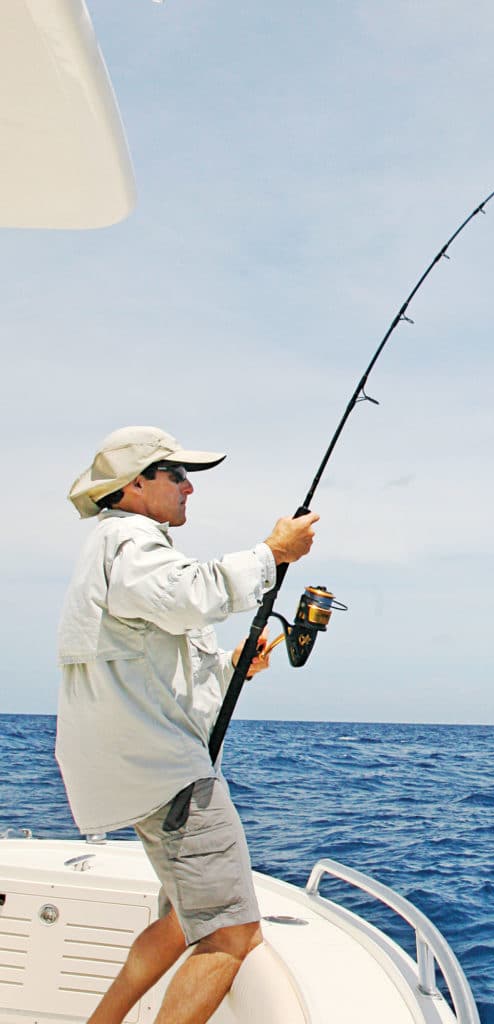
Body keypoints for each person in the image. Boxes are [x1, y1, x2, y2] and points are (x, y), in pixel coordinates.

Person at [55, 425, 319, 1024]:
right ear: (134, 485)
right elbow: (191, 595)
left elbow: (162, 673)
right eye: (175, 474)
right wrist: (273, 553)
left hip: (145, 768)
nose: (188, 487)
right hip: (170, 777)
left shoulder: (122, 550)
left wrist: (232, 666)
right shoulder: (129, 542)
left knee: (181, 922)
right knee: (231, 935)